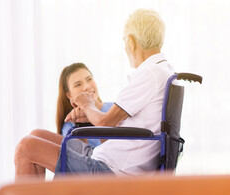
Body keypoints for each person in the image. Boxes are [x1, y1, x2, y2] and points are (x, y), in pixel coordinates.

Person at [14, 8, 174, 179]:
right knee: (36, 135)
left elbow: (105, 123)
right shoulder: (162, 71)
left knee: (26, 147)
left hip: (112, 170)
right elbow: (113, 126)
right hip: (107, 156)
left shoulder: (149, 74)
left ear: (131, 41)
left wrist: (86, 103)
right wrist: (89, 114)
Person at [56, 62, 113, 147]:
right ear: (69, 95)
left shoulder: (115, 109)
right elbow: (80, 158)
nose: (87, 86)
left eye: (89, 79)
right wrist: (80, 127)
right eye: (78, 84)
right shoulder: (70, 125)